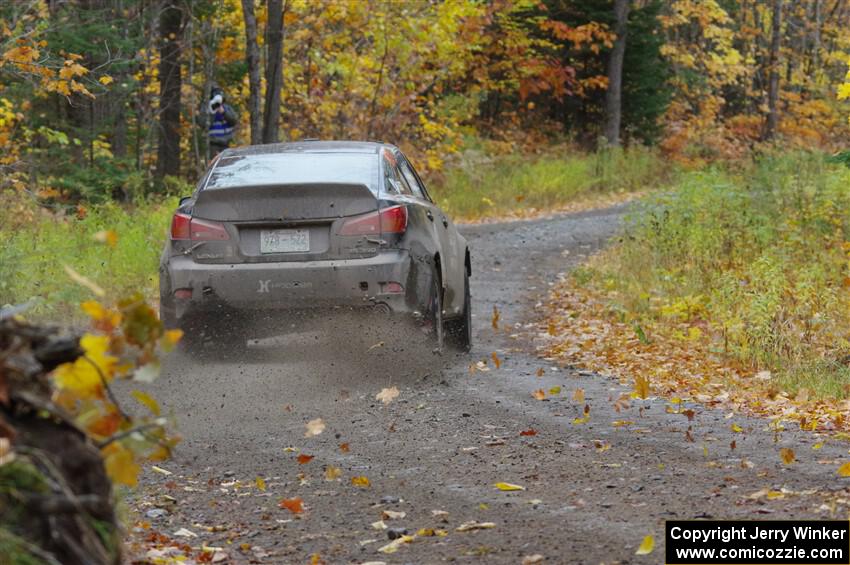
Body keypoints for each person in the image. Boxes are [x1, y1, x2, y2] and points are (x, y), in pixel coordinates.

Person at [207, 87, 238, 157]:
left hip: (227, 144)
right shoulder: (208, 109)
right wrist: (213, 112)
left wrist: (224, 112)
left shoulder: (227, 108)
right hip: (213, 144)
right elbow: (204, 124)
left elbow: (234, 121)